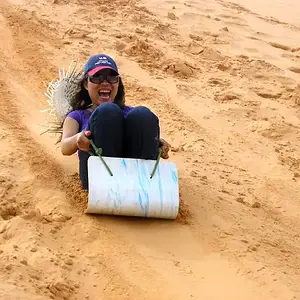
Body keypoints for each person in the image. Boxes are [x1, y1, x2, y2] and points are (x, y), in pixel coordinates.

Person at [60, 53, 170, 190]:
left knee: (143, 115)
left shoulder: (131, 113)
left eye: (112, 78)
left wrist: (157, 143)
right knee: (107, 112)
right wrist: (78, 138)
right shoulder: (77, 116)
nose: (105, 82)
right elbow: (64, 147)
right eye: (97, 77)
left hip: (134, 177)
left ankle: (144, 181)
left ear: (118, 83)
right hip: (97, 177)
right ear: (86, 84)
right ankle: (112, 184)